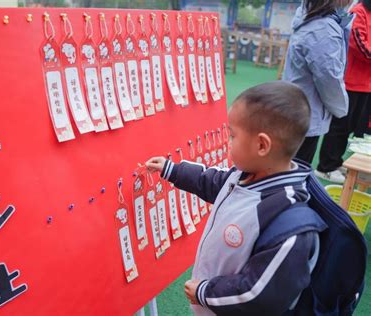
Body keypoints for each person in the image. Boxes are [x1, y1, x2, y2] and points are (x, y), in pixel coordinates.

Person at [146, 82, 319, 315]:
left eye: (232, 135)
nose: (228, 142)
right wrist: (172, 170)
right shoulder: (244, 177)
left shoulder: (289, 226)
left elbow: (260, 295)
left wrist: (205, 292)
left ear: (261, 145)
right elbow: (213, 181)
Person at [283, 0, 354, 163]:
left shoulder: (310, 18)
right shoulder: (323, 29)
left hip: (296, 108)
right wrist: (341, 108)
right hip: (306, 113)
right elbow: (329, 78)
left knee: (288, 166)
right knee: (296, 168)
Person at [315, 0, 371, 183]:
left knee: (353, 129)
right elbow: (358, 45)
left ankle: (337, 162)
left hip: (366, 84)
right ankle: (325, 167)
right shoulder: (358, 11)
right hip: (350, 82)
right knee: (339, 127)